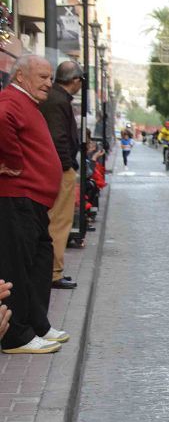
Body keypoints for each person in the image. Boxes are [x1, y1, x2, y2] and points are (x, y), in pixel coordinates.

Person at [0, 55, 68, 354]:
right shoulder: (12, 100)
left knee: (40, 262)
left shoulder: (27, 102)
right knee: (19, 267)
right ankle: (16, 336)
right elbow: (2, 120)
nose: (48, 83)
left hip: (33, 200)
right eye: (41, 76)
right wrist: (13, 162)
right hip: (18, 197)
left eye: (50, 77)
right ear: (19, 77)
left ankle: (37, 324)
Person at [38, 60, 83, 290]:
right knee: (60, 222)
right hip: (60, 169)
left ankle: (52, 270)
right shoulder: (58, 101)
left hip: (55, 166)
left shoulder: (56, 99)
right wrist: (67, 166)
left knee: (56, 220)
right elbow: (58, 137)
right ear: (74, 80)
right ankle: (54, 272)